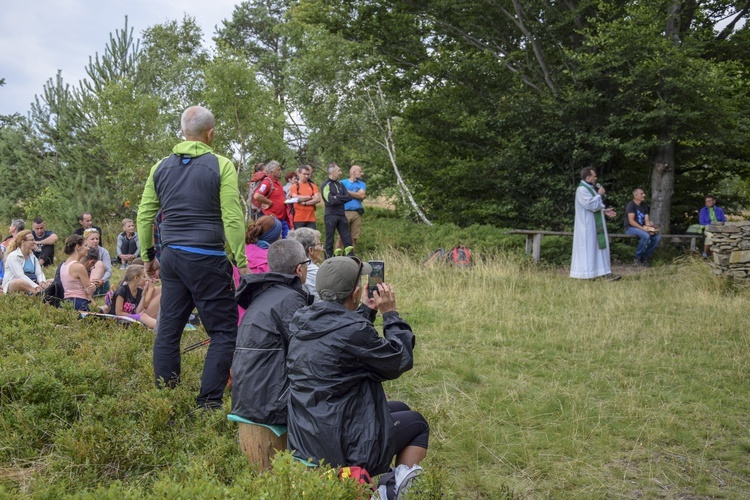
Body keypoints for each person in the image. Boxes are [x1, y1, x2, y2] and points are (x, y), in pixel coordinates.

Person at [137, 105, 250, 409]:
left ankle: (166, 394)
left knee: (169, 327)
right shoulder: (222, 164)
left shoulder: (160, 166)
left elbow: (145, 213)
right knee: (225, 331)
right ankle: (209, 402)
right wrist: (241, 262)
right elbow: (233, 217)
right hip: (207, 258)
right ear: (210, 133)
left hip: (171, 257)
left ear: (182, 132)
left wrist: (149, 254)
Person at [286, 257, 429, 475]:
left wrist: (366, 310)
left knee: (400, 408)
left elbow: (341, 337)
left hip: (308, 432)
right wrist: (390, 314)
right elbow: (398, 360)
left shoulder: (304, 321)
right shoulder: (353, 331)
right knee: (418, 424)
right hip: (342, 447)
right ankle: (393, 488)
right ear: (354, 293)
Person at [231, 239, 313, 424]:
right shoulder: (292, 300)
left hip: (245, 400)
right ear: (299, 269)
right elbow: (308, 353)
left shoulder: (260, 295)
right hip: (273, 406)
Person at [570, 167, 620, 281]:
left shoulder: (590, 188)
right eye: (594, 176)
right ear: (588, 177)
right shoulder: (582, 190)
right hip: (587, 227)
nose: (596, 178)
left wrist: (604, 210)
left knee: (599, 248)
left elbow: (595, 206)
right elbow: (590, 205)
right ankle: (587, 274)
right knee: (589, 248)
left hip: (595, 225)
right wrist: (599, 194)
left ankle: (603, 273)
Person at [232, 215, 283, 322]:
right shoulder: (272, 259)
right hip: (266, 321)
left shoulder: (240, 255)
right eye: (280, 233)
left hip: (240, 319)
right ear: (273, 236)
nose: (282, 236)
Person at [320, 163, 353, 258]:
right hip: (330, 216)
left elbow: (348, 197)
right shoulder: (325, 185)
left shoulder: (341, 184)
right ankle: (328, 260)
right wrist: (339, 198)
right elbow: (330, 201)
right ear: (332, 172)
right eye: (338, 171)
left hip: (342, 215)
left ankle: (351, 258)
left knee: (347, 238)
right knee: (329, 240)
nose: (340, 173)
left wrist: (337, 197)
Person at [2, 230, 49, 294]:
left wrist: (42, 282)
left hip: (32, 281)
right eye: (31, 240)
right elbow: (20, 276)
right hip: (15, 284)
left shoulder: (33, 257)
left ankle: (41, 292)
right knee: (18, 282)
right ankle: (38, 293)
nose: (34, 242)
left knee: (52, 281)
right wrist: (35, 286)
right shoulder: (13, 256)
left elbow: (39, 273)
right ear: (23, 242)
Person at [253, 160, 292, 238]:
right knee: (275, 240)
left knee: (287, 238)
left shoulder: (278, 182)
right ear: (271, 172)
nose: (280, 172)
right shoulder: (267, 182)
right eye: (278, 170)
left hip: (281, 218)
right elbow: (257, 196)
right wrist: (269, 202)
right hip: (272, 218)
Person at [111, 264, 157, 328]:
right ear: (136, 278)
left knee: (144, 315)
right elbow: (118, 313)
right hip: (118, 320)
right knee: (143, 316)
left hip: (131, 319)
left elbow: (137, 311)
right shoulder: (122, 290)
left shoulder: (139, 291)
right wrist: (136, 316)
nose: (146, 279)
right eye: (144, 276)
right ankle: (164, 329)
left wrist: (143, 295)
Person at [624, 188, 661, 267]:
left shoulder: (644, 206)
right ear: (636, 196)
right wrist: (643, 229)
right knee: (646, 236)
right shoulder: (631, 205)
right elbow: (631, 221)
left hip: (642, 228)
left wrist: (650, 229)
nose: (644, 195)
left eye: (643, 193)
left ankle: (645, 258)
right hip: (630, 228)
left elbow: (647, 221)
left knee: (657, 238)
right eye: (642, 194)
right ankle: (637, 258)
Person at [60, 235, 98, 311]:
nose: (88, 248)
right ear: (78, 247)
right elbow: (88, 291)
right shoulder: (79, 267)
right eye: (86, 245)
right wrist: (94, 286)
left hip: (66, 302)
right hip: (79, 303)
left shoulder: (64, 265)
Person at [288, 227, 323, 301]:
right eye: (320, 245)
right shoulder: (316, 272)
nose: (322, 249)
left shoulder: (289, 266)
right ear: (311, 250)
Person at [337, 164, 366, 253]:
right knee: (341, 236)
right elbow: (339, 195)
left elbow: (361, 195)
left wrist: (347, 192)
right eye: (360, 171)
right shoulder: (342, 182)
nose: (362, 174)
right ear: (353, 172)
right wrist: (355, 194)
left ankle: (351, 257)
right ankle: (335, 256)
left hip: (357, 213)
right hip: (344, 212)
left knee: (354, 237)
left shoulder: (362, 184)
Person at [289, 165, 320, 229]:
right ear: (298, 174)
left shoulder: (312, 186)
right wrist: (311, 196)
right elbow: (296, 198)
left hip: (311, 219)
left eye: (308, 174)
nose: (306, 176)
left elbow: (318, 199)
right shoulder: (294, 186)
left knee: (312, 238)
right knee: (299, 238)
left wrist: (305, 203)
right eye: (304, 174)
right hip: (298, 219)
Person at [83, 228, 112, 296]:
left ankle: (90, 290)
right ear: (86, 240)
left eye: (97, 239)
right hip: (84, 281)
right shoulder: (82, 251)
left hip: (99, 283)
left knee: (99, 264)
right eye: (92, 239)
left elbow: (109, 271)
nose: (95, 241)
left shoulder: (104, 252)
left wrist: (101, 281)